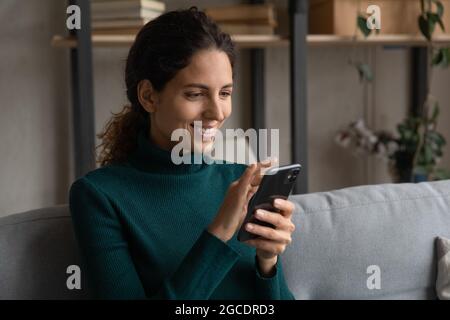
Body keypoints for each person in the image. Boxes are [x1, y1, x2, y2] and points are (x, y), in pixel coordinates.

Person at [69, 7, 296, 300]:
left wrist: (267, 262)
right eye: (195, 94)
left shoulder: (242, 180)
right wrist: (219, 233)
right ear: (149, 96)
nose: (217, 112)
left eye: (225, 93)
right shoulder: (99, 196)